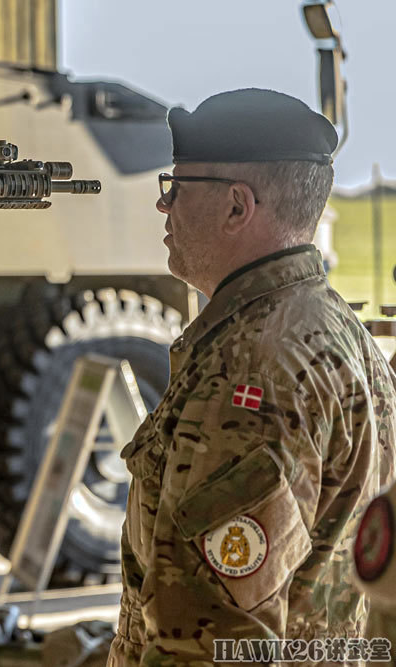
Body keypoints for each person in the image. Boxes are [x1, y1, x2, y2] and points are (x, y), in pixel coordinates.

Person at [107, 88, 396, 665]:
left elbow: (213, 643)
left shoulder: (247, 374)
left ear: (238, 206)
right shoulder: (337, 328)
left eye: (178, 188)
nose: (165, 207)